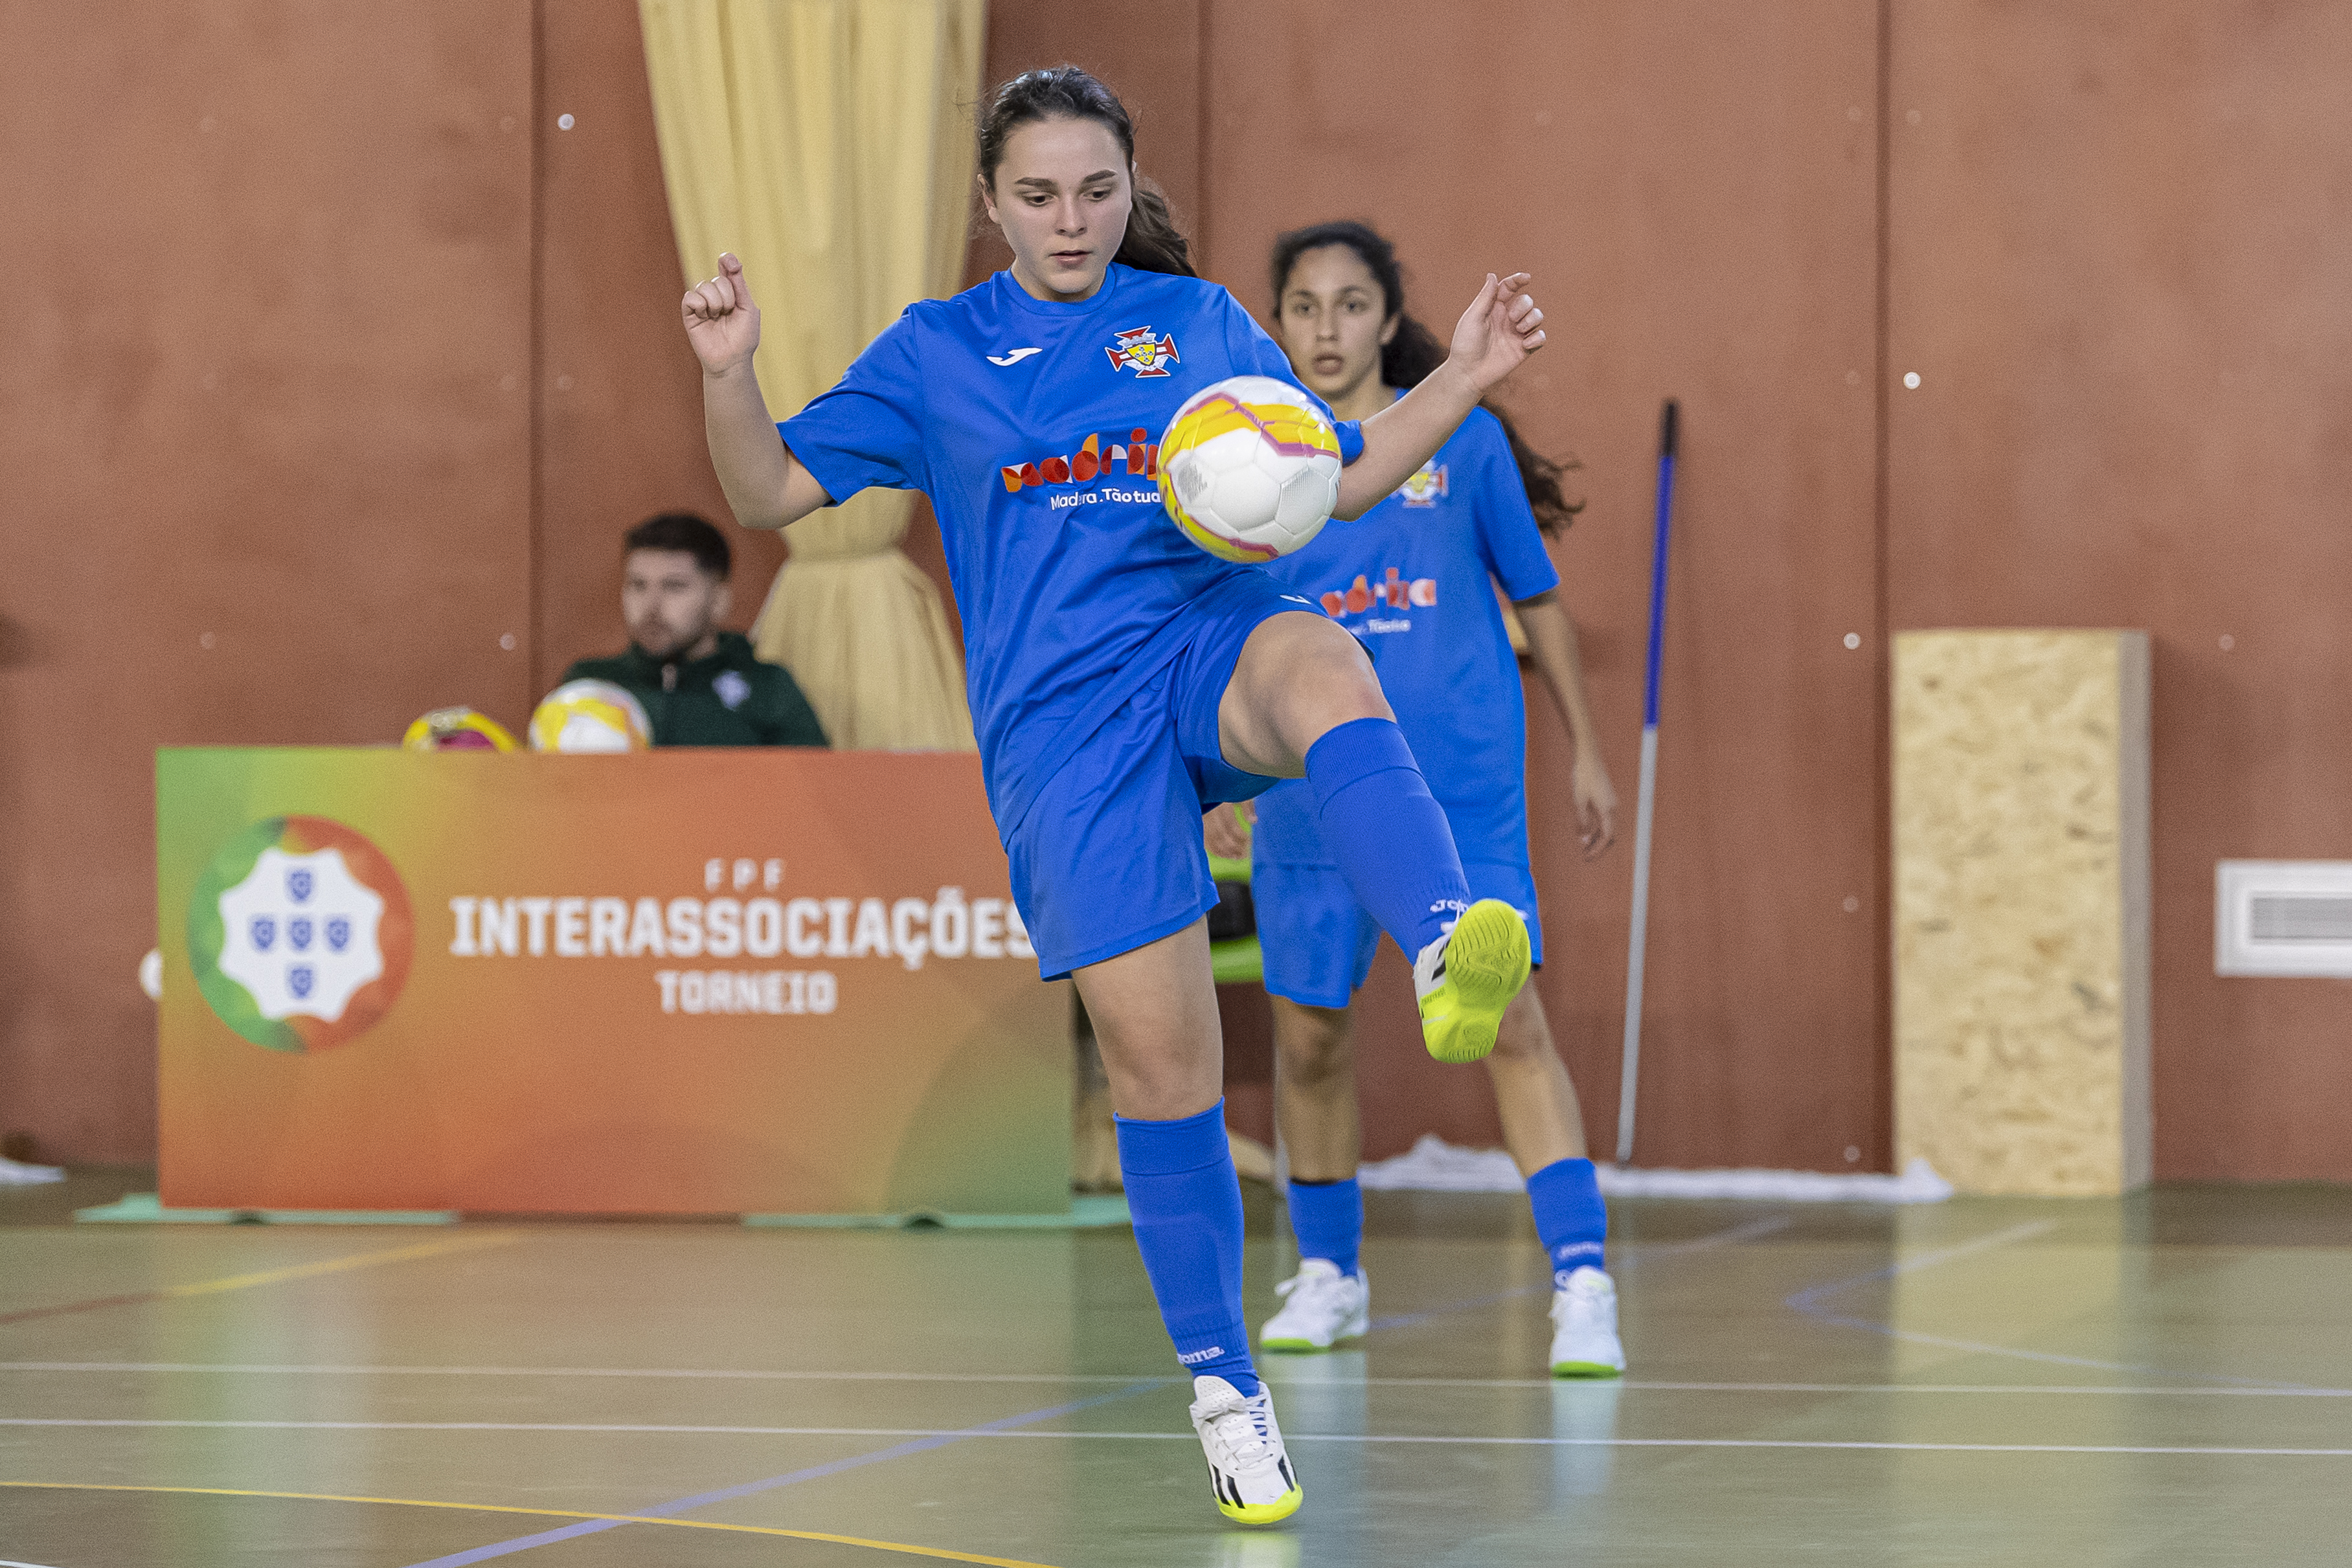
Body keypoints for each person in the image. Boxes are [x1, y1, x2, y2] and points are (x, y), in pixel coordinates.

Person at [681, 66, 1547, 1525]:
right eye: (1036, 195)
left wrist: (1457, 376)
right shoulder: (936, 352)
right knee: (1168, 1070)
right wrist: (726, 367)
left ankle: (1449, 933)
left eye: (1093, 189)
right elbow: (766, 495)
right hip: (1060, 732)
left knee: (1325, 655)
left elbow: (1329, 487)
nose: (1069, 219)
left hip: (1199, 645)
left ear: (1125, 182)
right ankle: (1225, 1387)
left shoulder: (1198, 323)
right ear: (989, 205)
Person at [1214, 221, 1624, 1378]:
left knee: (1508, 1021)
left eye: (1351, 305)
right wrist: (1215, 776)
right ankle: (1330, 1274)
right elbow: (1218, 632)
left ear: (1388, 320)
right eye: (1304, 306)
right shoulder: (1247, 462)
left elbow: (1536, 602)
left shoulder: (1469, 442)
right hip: (1305, 796)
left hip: (1460, 792)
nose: (1327, 328)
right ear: (1276, 321)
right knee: (1310, 1037)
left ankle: (1581, 1279)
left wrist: (1585, 748)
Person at [564, 511, 828, 747]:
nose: (651, 606)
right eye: (638, 585)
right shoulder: (589, 686)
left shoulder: (769, 689)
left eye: (674, 586)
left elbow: (813, 794)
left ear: (718, 600)